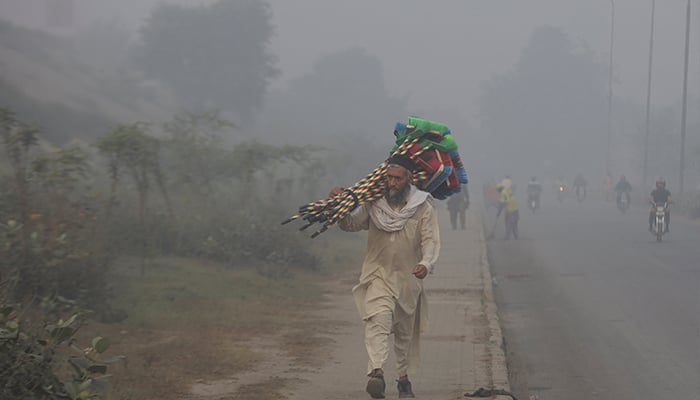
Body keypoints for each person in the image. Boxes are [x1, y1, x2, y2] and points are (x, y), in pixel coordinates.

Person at [329, 153, 440, 399]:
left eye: (398, 179)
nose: (393, 183)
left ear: (408, 179)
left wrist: (425, 263)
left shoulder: (422, 206)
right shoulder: (374, 203)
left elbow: (430, 241)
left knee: (403, 334)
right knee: (377, 320)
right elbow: (350, 224)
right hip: (377, 275)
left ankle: (403, 380)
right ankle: (376, 373)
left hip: (408, 282)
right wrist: (338, 206)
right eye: (389, 178)